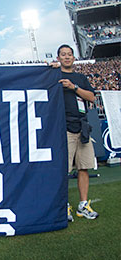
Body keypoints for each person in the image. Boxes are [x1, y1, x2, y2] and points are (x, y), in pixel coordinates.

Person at [56, 44, 99, 222]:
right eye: (63, 55)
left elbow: (92, 97)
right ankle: (63, 206)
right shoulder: (54, 75)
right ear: (58, 58)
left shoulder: (80, 78)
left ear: (74, 58)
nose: (67, 57)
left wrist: (74, 87)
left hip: (82, 127)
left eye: (69, 54)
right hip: (62, 127)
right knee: (62, 170)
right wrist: (48, 69)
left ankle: (83, 205)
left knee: (84, 167)